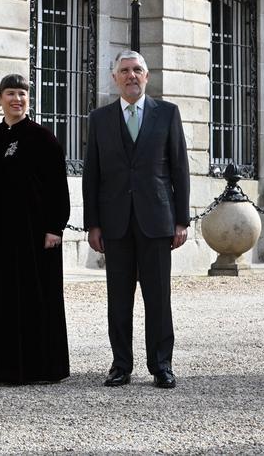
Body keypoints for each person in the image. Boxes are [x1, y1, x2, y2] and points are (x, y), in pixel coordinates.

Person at [83, 50, 190, 389]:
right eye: (125, 71)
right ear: (115, 78)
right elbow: (92, 175)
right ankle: (120, 365)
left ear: (147, 76)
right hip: (114, 224)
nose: (131, 76)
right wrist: (93, 224)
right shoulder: (99, 119)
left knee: (158, 297)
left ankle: (161, 365)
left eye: (137, 70)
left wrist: (181, 220)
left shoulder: (168, 114)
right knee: (118, 298)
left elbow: (179, 170)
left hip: (157, 221)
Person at [0, 74, 70, 385]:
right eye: (10, 93)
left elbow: (58, 189)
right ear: (0, 99)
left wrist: (54, 228)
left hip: (35, 236)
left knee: (35, 298)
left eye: (21, 93)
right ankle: (1, 366)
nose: (16, 99)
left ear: (28, 100)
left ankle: (38, 367)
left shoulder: (44, 139)